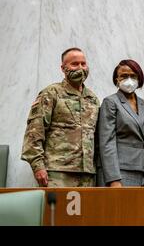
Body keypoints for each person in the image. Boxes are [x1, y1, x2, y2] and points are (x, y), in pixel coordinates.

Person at [21, 47, 100, 187]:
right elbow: (34, 132)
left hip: (88, 174)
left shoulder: (92, 99)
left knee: (86, 210)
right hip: (57, 172)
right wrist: (38, 166)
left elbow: (97, 137)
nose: (80, 68)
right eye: (74, 64)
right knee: (55, 209)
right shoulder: (51, 93)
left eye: (83, 64)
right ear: (63, 68)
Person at [96, 59, 144, 187]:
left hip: (141, 172)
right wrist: (113, 178)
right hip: (118, 172)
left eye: (133, 76)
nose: (129, 79)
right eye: (124, 76)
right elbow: (107, 142)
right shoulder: (110, 102)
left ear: (139, 78)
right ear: (116, 80)